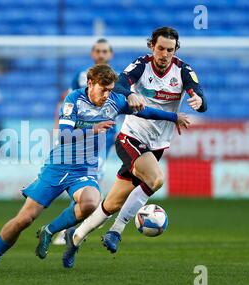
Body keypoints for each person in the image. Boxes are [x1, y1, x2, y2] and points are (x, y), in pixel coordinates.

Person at [0, 64, 189, 272]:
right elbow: (65, 135)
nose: (106, 95)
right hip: (58, 167)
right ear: (90, 83)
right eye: (103, 89)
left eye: (110, 90)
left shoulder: (115, 101)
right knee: (24, 219)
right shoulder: (74, 99)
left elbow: (145, 112)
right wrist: (93, 129)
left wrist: (174, 117)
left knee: (90, 202)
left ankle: (49, 231)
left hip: (84, 170)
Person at [62, 26, 207, 268]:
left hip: (158, 145)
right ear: (152, 46)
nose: (164, 54)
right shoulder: (141, 65)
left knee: (112, 203)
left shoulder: (183, 71)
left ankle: (75, 238)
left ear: (175, 50)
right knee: (156, 179)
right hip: (131, 137)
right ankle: (116, 231)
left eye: (169, 50)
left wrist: (198, 100)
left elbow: (200, 97)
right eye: (160, 48)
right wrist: (129, 94)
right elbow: (120, 85)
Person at [52, 38, 115, 246]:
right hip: (81, 137)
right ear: (92, 53)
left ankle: (72, 228)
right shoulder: (81, 76)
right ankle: (67, 230)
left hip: (104, 140)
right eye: (98, 51)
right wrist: (58, 127)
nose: (101, 54)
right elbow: (66, 102)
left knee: (92, 182)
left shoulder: (118, 80)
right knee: (82, 181)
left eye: (105, 51)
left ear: (110, 55)